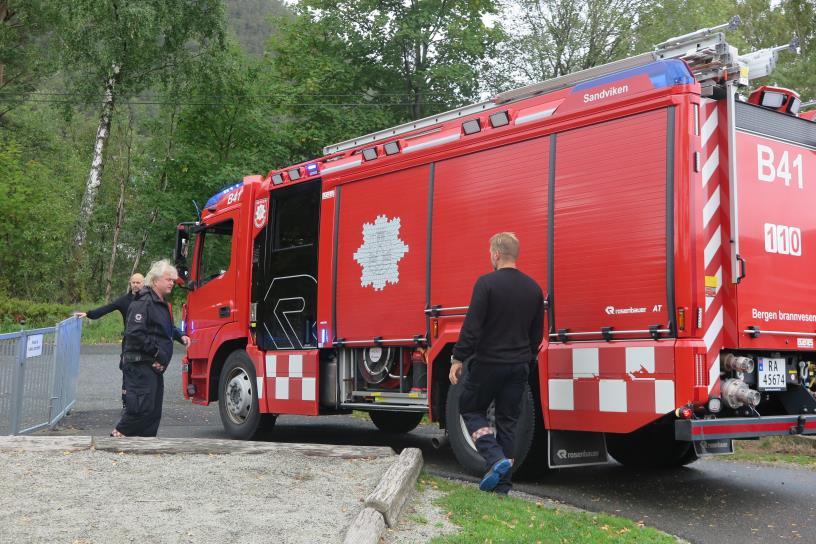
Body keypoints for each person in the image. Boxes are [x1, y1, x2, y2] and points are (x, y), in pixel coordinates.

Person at [449, 232, 544, 495]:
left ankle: (493, 457)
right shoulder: (534, 289)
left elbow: (472, 327)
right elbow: (536, 336)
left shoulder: (486, 284)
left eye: (490, 252)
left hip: (488, 364)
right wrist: (527, 361)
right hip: (518, 366)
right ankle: (503, 486)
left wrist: (458, 358)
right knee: (508, 422)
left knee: (469, 408)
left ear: (497, 254)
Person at [112, 259, 189, 437]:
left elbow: (165, 327)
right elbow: (135, 333)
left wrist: (180, 336)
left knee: (152, 414)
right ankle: (113, 445)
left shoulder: (161, 303)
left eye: (173, 280)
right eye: (168, 279)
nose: (172, 283)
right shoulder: (143, 302)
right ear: (155, 281)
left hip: (153, 368)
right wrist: (157, 354)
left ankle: (145, 451)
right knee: (138, 411)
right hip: (140, 366)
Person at [74, 273, 145, 406]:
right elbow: (107, 308)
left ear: (143, 283)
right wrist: (88, 314)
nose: (135, 285)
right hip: (129, 343)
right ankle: (126, 402)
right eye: (133, 282)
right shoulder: (124, 300)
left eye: (138, 282)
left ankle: (142, 400)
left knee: (144, 371)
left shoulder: (149, 300)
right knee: (127, 370)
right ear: (130, 283)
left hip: (146, 343)